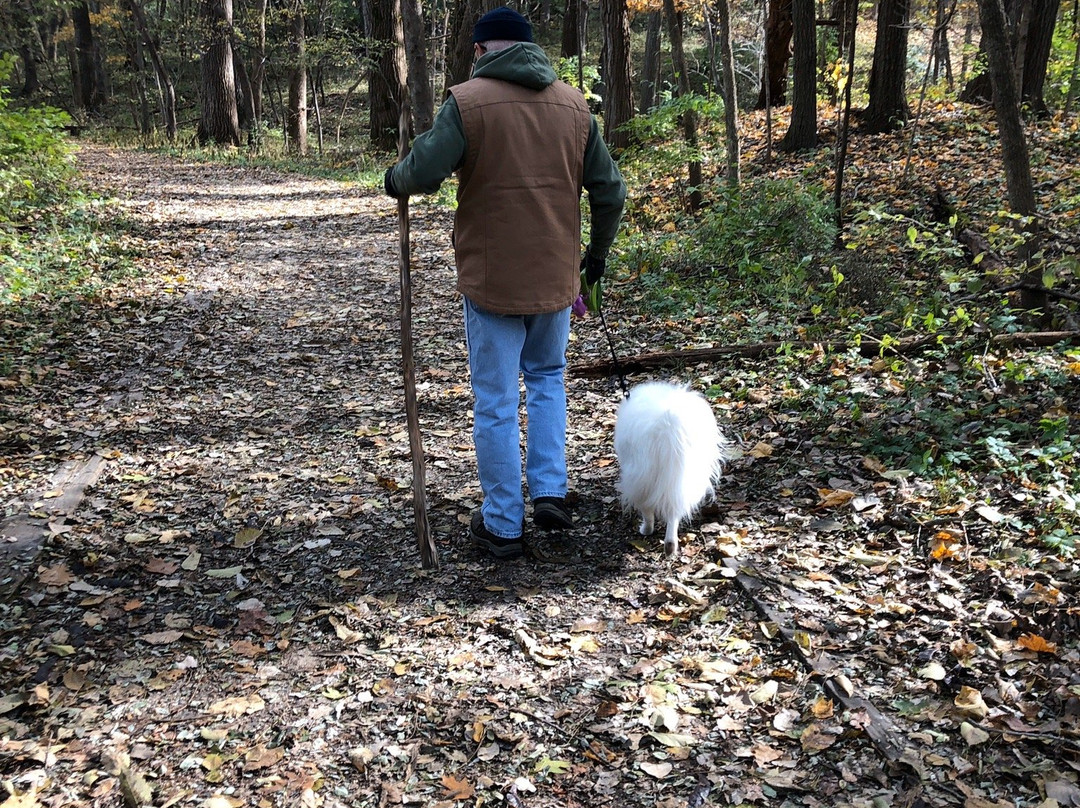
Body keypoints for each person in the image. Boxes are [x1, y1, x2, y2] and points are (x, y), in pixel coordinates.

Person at [384, 6, 626, 560]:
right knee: (546, 380)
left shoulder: (468, 103)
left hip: (493, 279)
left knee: (495, 397)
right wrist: (594, 261)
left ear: (479, 50)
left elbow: (421, 173)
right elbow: (610, 192)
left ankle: (502, 524)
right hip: (555, 280)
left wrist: (394, 178)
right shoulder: (574, 107)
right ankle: (549, 492)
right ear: (531, 50)